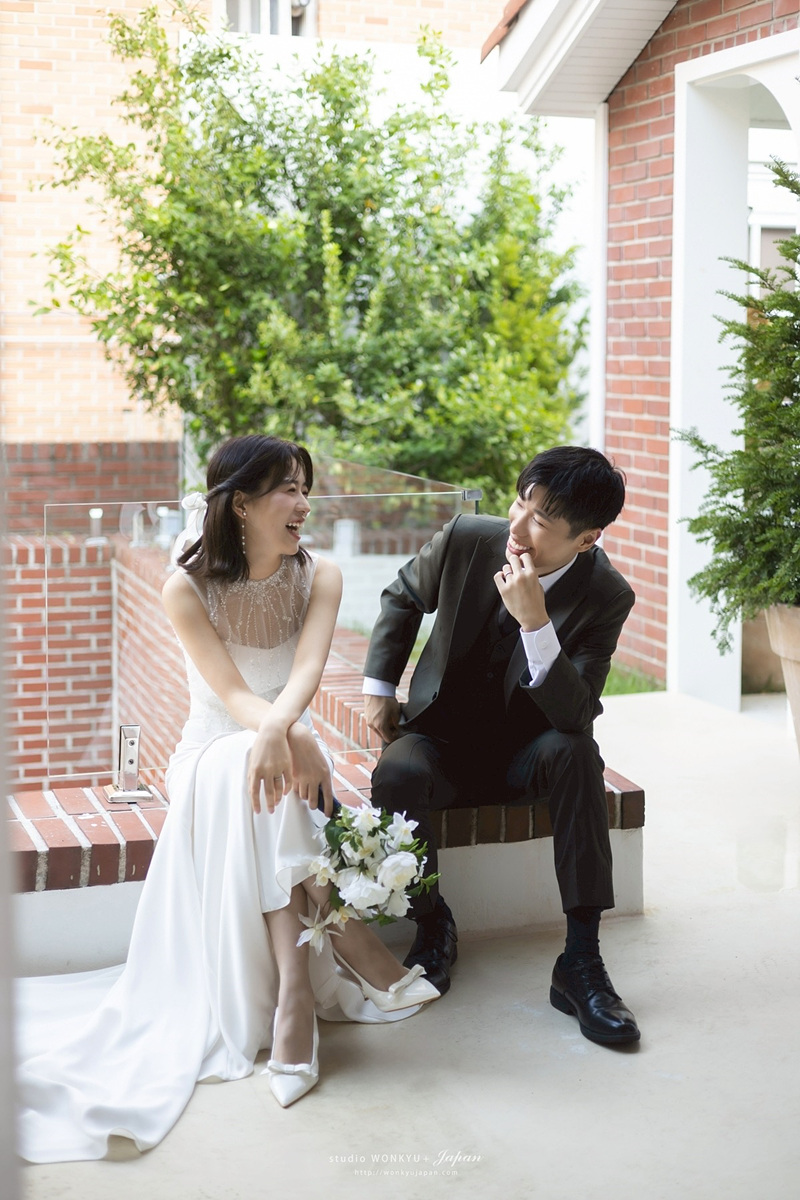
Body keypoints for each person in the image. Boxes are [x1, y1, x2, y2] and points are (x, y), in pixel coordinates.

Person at [16, 434, 437, 1164]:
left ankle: (296, 995)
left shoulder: (322, 576)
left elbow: (306, 673)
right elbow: (233, 695)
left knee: (266, 782)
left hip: (278, 754)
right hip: (211, 754)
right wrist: (286, 732)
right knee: (253, 765)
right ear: (240, 503)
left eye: (306, 489)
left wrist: (288, 730)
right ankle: (331, 955)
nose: (304, 505)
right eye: (288, 490)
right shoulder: (185, 587)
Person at [363, 445, 640, 1045]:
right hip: (439, 743)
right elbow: (402, 596)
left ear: (586, 539)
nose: (518, 526)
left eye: (541, 520)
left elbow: (575, 716)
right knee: (397, 771)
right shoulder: (467, 538)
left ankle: (581, 960)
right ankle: (432, 924)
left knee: (578, 753)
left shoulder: (605, 594)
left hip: (525, 756)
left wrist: (537, 625)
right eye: (520, 503)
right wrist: (379, 688)